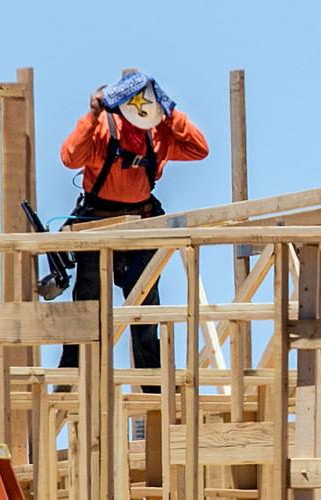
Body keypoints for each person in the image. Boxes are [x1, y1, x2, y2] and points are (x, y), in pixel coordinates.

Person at [56, 72, 209, 392]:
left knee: (145, 311)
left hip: (140, 226)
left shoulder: (155, 131)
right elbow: (70, 157)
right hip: (97, 226)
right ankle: (71, 383)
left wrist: (170, 111)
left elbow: (199, 149)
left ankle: (154, 389)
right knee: (88, 308)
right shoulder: (103, 127)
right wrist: (93, 113)